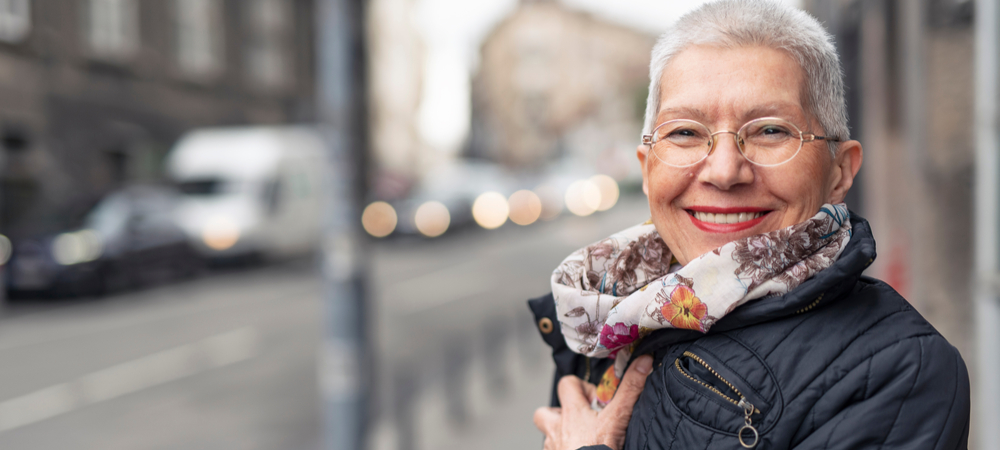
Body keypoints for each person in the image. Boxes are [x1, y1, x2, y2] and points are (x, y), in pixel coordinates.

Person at [528, 1, 971, 449]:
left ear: (839, 172)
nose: (723, 171)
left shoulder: (898, 370)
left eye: (770, 131)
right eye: (685, 132)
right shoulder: (606, 312)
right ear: (646, 169)